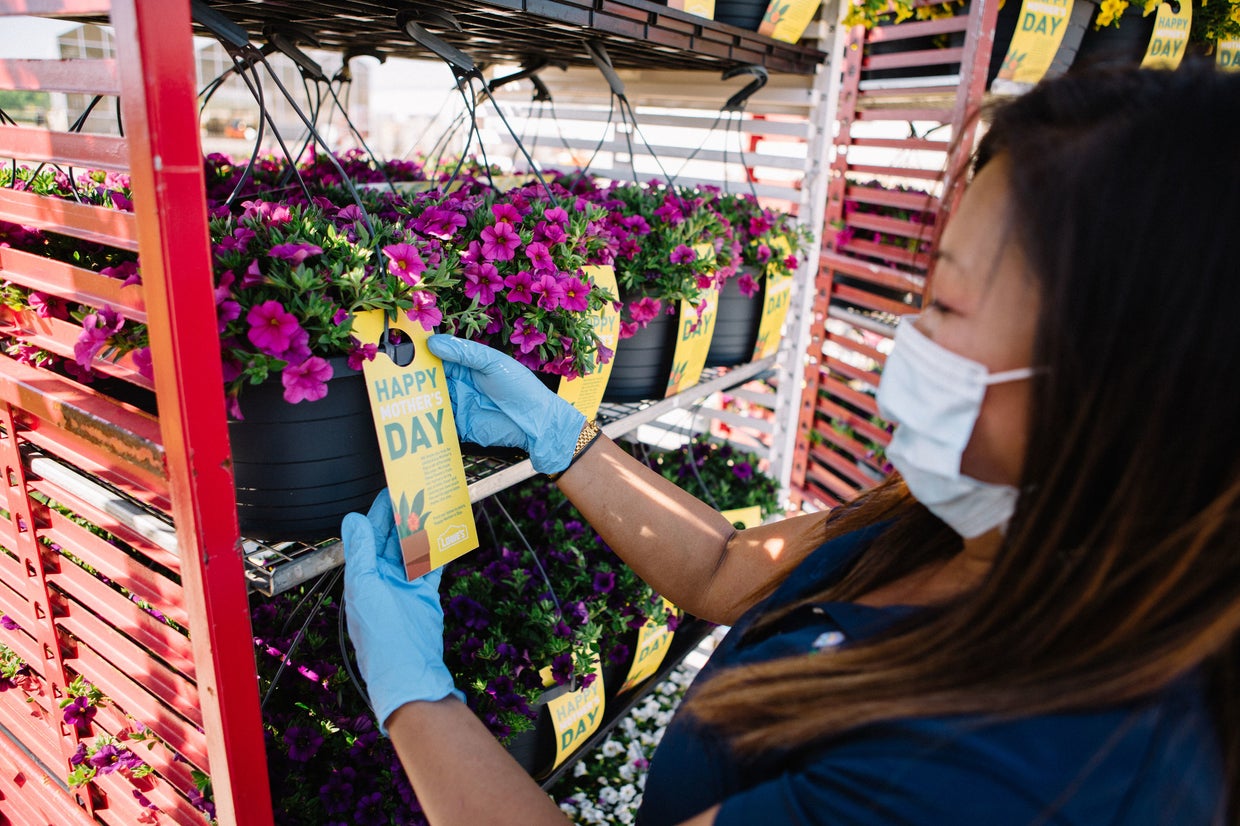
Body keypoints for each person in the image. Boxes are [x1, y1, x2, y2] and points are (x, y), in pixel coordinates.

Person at [341, 63, 1237, 825]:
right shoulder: (964, 522)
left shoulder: (1026, 771)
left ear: (1121, 381)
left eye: (947, 304)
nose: (906, 335)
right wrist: (561, 437)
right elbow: (730, 568)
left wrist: (416, 696)